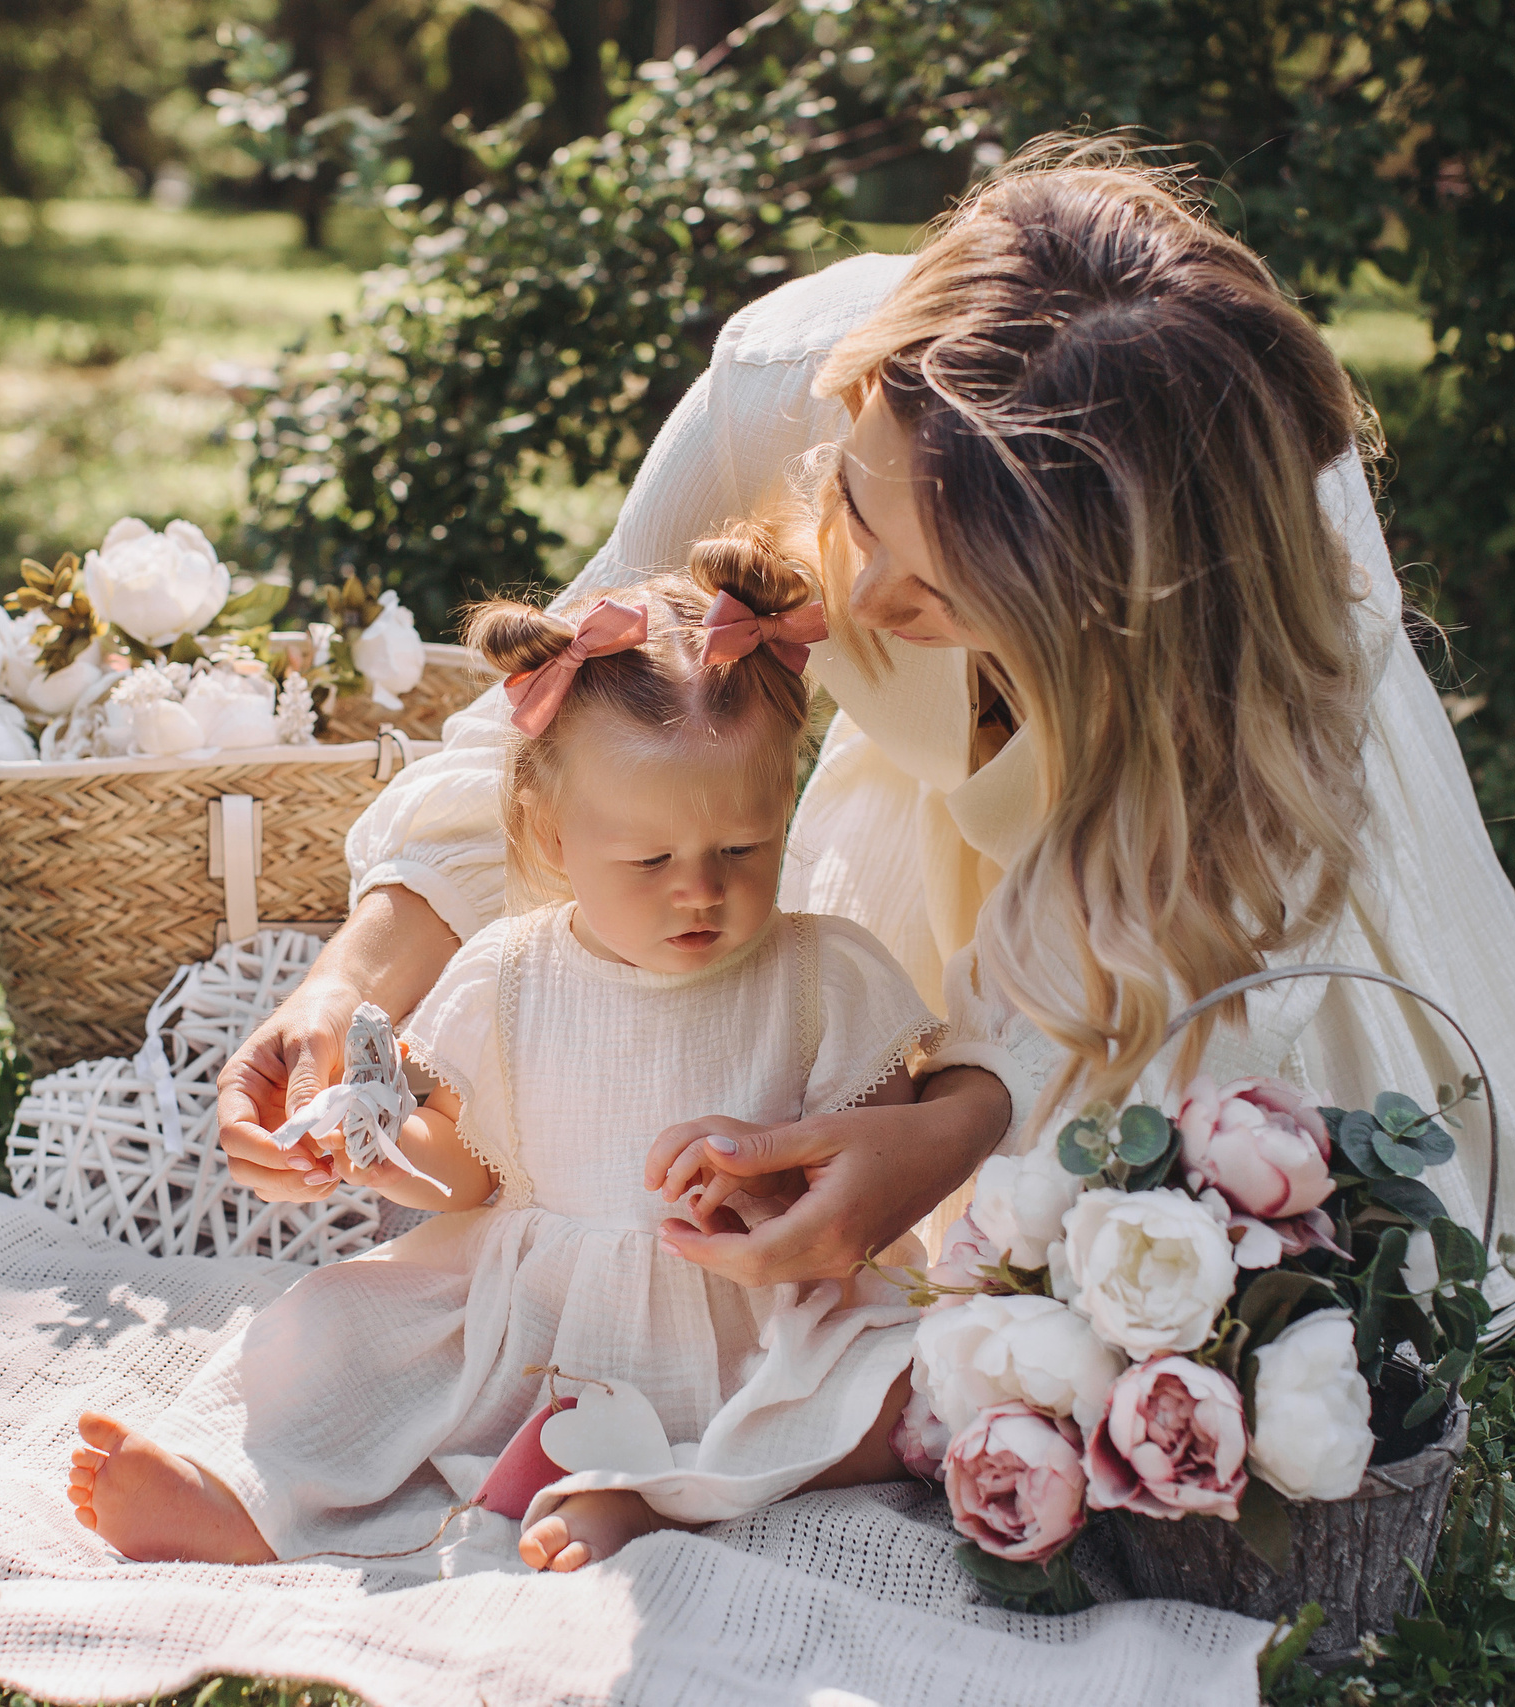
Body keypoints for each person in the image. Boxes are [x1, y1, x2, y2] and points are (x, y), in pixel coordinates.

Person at [218, 142, 1515, 1296]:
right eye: (859, 508)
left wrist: (953, 1123)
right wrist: (361, 973)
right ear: (855, 399)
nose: (867, 596)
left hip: (1165, 885)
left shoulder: (1254, 587)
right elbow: (560, 711)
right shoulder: (782, 383)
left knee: (1159, 1241)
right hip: (939, 842)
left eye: (954, 591)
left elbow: (1171, 883)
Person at [66, 535, 940, 1570]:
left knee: (923, 1384)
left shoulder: (821, 972)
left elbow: (885, 1151)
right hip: (539, 1317)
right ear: (549, 832)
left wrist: (780, 1173)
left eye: (742, 849)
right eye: (650, 858)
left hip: (755, 1313)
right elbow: (469, 1169)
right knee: (328, 1329)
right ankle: (246, 1498)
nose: (699, 889)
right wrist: (381, 1150)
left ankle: (655, 1496)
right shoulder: (511, 973)